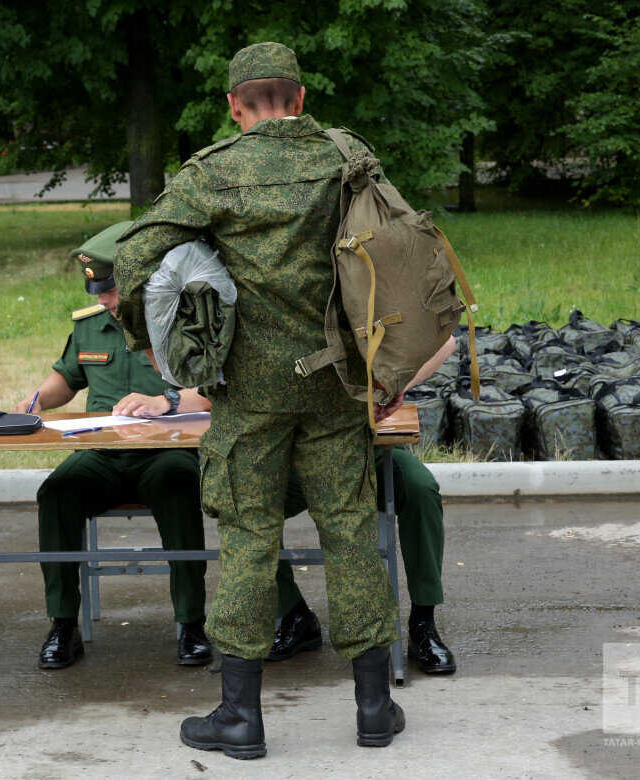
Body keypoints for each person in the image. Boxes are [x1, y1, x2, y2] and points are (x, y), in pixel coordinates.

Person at [114, 42, 404, 757]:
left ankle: (240, 718)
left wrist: (156, 345)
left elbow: (132, 261)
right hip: (338, 383)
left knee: (248, 540)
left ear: (234, 107)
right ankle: (374, 707)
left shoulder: (214, 172)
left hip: (247, 393)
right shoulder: (347, 155)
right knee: (350, 532)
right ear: (300, 99)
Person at [14, 221, 214, 670]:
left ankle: (190, 624)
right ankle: (63, 625)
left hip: (168, 453)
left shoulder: (181, 322)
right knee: (57, 493)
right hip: (101, 452)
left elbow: (217, 392)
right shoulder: (91, 326)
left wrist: (164, 400)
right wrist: (36, 401)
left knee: (180, 487)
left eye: (110, 290)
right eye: (97, 291)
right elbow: (66, 379)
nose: (102, 299)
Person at [272, 337, 458, 675]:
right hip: (292, 456)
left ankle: (422, 624)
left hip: (361, 446)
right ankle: (294, 614)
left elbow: (443, 341)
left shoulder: (357, 290)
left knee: (421, 490)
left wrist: (394, 383)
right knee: (242, 506)